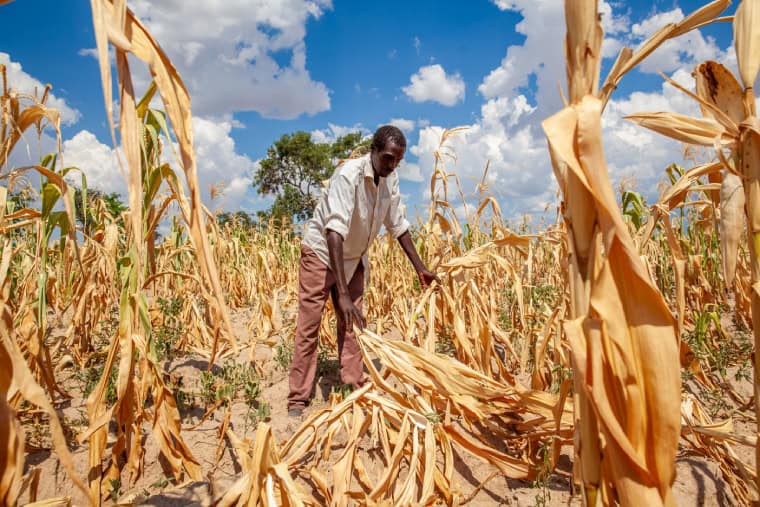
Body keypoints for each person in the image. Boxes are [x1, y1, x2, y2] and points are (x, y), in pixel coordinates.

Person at [287, 125, 437, 417]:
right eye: (388, 158)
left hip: (354, 257)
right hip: (322, 253)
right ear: (373, 151)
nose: (392, 165)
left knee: (354, 323)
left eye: (398, 160)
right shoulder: (349, 176)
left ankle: (354, 384)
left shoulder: (389, 180)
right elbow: (334, 232)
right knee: (309, 326)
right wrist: (340, 293)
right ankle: (297, 398)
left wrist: (420, 268)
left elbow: (398, 225)